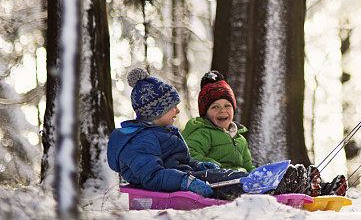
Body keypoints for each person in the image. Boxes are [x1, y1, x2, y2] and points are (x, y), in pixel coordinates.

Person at [107, 68, 315, 200]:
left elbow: (180, 162)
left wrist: (199, 166)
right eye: (172, 107)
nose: (178, 111)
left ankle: (282, 182)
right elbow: (152, 176)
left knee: (228, 175)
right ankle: (271, 187)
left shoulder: (162, 132)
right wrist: (185, 181)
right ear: (156, 111)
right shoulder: (139, 141)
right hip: (177, 185)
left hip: (186, 176)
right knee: (226, 182)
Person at [181, 70, 348, 197]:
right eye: (215, 107)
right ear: (205, 112)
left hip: (242, 179)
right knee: (275, 182)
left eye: (227, 105)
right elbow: (192, 157)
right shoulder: (201, 132)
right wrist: (221, 168)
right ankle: (300, 184)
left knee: (271, 175)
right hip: (223, 182)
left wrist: (254, 173)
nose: (222, 111)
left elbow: (248, 167)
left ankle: (321, 187)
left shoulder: (238, 138)